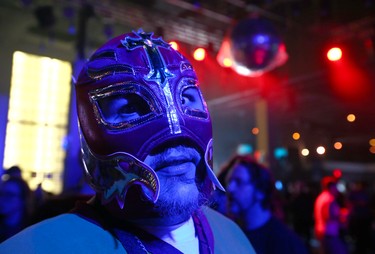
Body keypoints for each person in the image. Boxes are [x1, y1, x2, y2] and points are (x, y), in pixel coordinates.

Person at [0, 29, 255, 253]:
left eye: (186, 99)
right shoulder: (36, 248)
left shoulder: (233, 237)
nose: (175, 134)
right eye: (131, 107)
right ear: (88, 134)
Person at [222, 154, 308, 254]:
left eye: (239, 181)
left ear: (260, 192)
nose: (230, 188)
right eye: (229, 182)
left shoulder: (285, 243)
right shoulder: (230, 234)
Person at [314, 176, 348, 254]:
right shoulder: (329, 199)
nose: (336, 189)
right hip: (329, 232)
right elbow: (329, 216)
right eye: (335, 187)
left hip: (322, 231)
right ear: (331, 187)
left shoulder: (321, 197)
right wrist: (342, 215)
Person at [0, 176, 32, 243]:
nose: (3, 199)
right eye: (2, 194)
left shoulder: (30, 229)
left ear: (22, 199)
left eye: (10, 195)